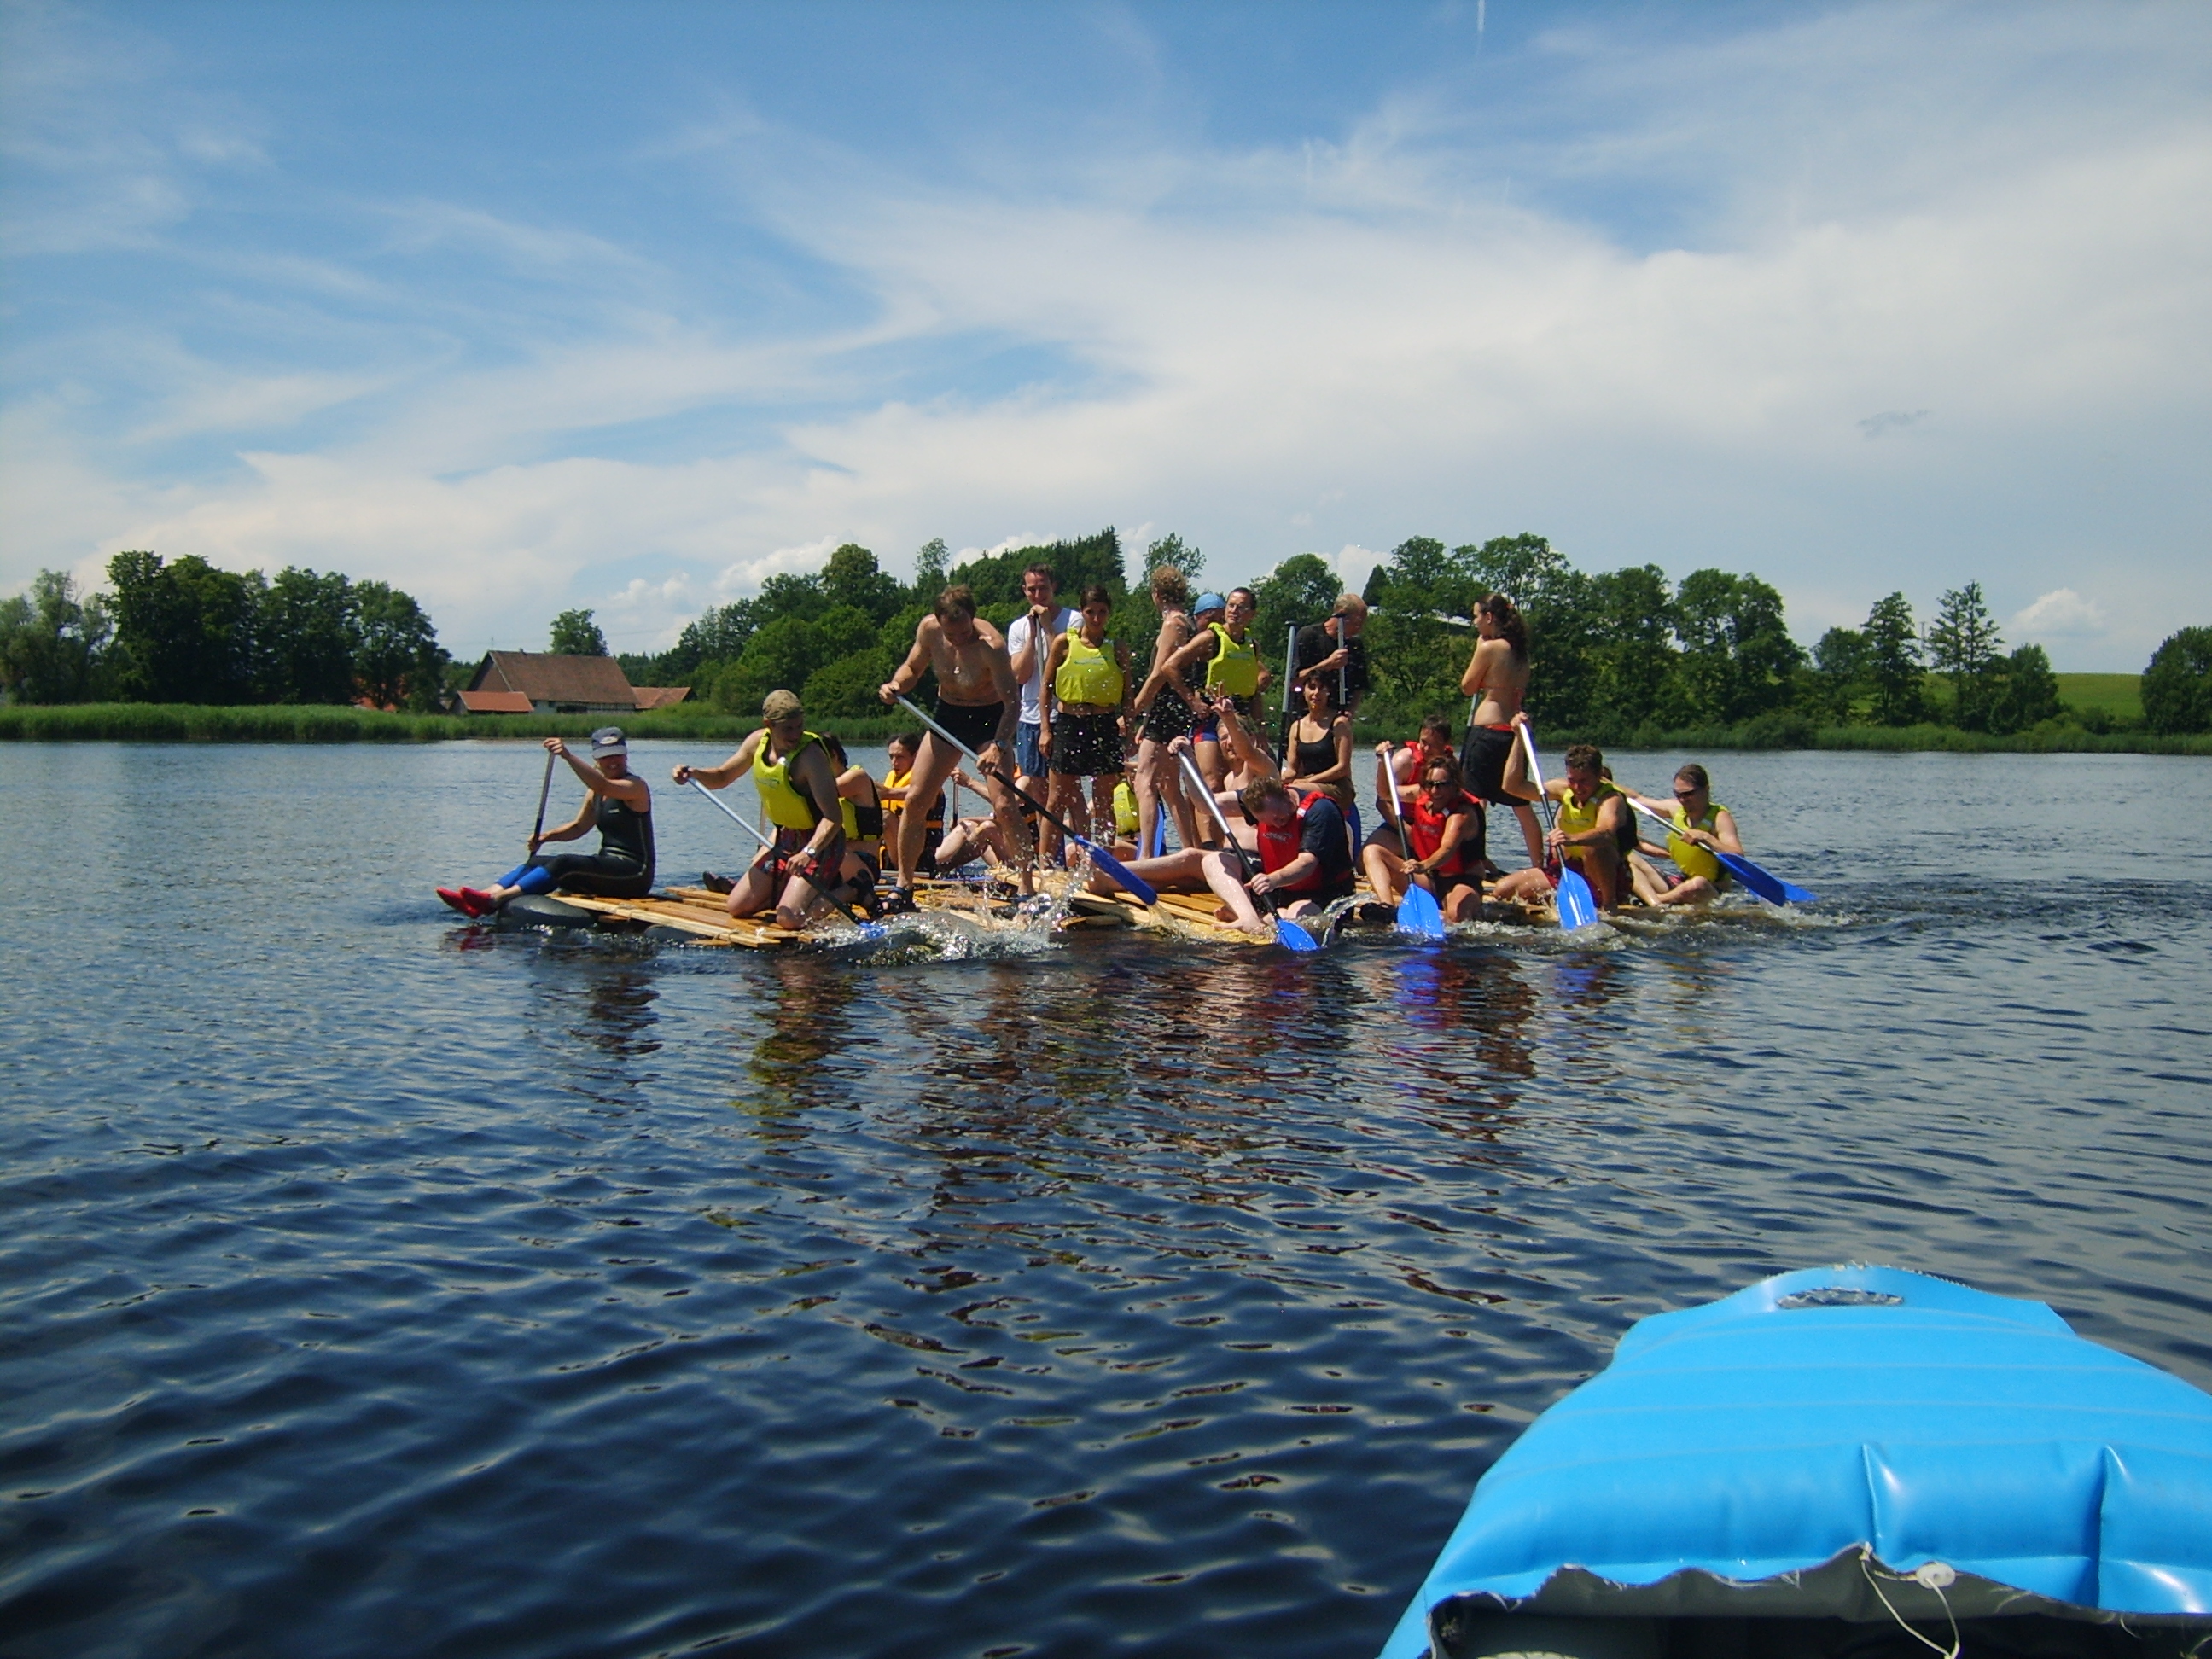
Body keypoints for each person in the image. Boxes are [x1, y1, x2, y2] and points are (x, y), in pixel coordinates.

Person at [878, 585, 1027, 911]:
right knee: (917, 798)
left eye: (963, 632)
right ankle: (904, 885)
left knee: (1003, 804)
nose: (957, 639)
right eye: (951, 633)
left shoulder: (992, 645)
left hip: (990, 720)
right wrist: (895, 685)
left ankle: (1027, 888)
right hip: (949, 716)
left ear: (972, 620)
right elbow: (912, 669)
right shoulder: (929, 630)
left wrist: (998, 746)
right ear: (939, 622)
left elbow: (1013, 703)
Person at [673, 691, 849, 929]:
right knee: (737, 906)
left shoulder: (812, 757)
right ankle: (793, 891)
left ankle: (850, 890)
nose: (795, 735)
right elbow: (722, 777)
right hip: (786, 838)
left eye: (799, 727)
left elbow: (833, 817)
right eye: (787, 729)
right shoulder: (757, 742)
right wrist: (694, 773)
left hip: (820, 844)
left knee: (789, 919)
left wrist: (808, 852)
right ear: (768, 725)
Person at [440, 729, 654, 916]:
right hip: (609, 866)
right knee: (537, 861)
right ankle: (481, 896)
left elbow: (603, 785)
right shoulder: (594, 794)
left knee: (565, 863)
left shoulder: (635, 787)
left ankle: (497, 900)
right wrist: (545, 837)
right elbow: (579, 827)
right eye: (606, 756)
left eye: (617, 754)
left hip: (635, 873)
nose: (613, 761)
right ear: (596, 760)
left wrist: (567, 756)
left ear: (626, 756)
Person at [1141, 586, 1271, 795]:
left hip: (1240, 719)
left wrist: (1261, 730)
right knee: (1210, 784)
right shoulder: (1209, 638)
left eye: (1241, 607)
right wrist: (1192, 701)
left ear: (1252, 614)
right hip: (1209, 719)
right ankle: (1200, 823)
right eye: (1231, 606)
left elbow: (1254, 692)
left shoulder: (1252, 646)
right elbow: (1169, 666)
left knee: (1242, 782)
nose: (1234, 611)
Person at [1039, 584, 1134, 846]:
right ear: (1082, 612)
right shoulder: (1064, 643)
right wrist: (1046, 730)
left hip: (1104, 724)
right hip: (1069, 723)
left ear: (1109, 614)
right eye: (1090, 612)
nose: (1096, 618)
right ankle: (1046, 864)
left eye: (1102, 612)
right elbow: (1046, 690)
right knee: (1057, 799)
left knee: (1104, 801)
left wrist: (1131, 733)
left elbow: (1128, 695)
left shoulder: (1117, 648)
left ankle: (1103, 864)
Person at [1201, 775, 1355, 937]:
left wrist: (1273, 879)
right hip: (1281, 891)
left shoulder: (1321, 811)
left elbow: (1307, 863)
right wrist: (1188, 757)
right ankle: (1249, 918)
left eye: (1278, 816)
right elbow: (1205, 805)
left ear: (1285, 795)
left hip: (1322, 895)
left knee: (1295, 915)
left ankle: (1266, 919)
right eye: (1269, 821)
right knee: (1211, 861)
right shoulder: (1260, 802)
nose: (1278, 824)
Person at [1492, 736, 1629, 912]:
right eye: (1573, 780)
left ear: (1598, 776)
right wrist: (1519, 737)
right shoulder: (1563, 789)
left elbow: (1606, 832)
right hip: (1568, 870)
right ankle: (1559, 897)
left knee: (1593, 848)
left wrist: (1571, 838)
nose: (1577, 787)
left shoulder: (1611, 798)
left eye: (1584, 781)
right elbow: (1513, 786)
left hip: (1603, 873)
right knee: (1502, 890)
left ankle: (1608, 904)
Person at [1460, 592, 1545, 868]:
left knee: (1474, 799)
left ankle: (1475, 861)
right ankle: (1538, 864)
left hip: (1487, 730)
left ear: (1489, 617)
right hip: (1513, 733)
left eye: (1476, 616)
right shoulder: (1521, 653)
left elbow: (1467, 686)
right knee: (1520, 800)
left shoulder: (1490, 648)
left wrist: (1478, 649)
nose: (1474, 622)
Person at [1362, 752, 1487, 924]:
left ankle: (1445, 915)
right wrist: (1383, 763)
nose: (1435, 791)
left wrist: (1422, 865)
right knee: (1373, 851)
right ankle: (1387, 908)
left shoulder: (1462, 814)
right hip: (1430, 878)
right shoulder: (1421, 794)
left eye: (1442, 785)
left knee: (1456, 916)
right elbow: (1385, 793)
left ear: (1455, 785)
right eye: (1430, 784)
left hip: (1461, 881)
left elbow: (1447, 849)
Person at [1130, 565, 1203, 858]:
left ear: (1156, 594)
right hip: (1172, 710)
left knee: (1143, 780)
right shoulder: (1188, 622)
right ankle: (1191, 850)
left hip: (1167, 709)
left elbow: (1158, 674)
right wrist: (1144, 722)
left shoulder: (1172, 624)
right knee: (1169, 785)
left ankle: (1146, 856)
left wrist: (1133, 709)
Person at [1003, 562, 1078, 800]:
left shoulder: (1073, 620)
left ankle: (1076, 835)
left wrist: (1047, 627)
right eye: (1032, 590)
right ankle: (1047, 838)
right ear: (1024, 590)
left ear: (1053, 587)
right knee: (1038, 791)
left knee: (1067, 789)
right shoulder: (1018, 628)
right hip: (1030, 716)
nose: (1038, 595)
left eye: (1043, 589)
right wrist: (1032, 635)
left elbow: (1066, 666)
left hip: (1062, 714)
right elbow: (1020, 676)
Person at [1627, 763, 1743, 907]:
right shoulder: (1676, 808)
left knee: (1697, 883)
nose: (1682, 800)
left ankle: (1655, 900)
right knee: (1629, 858)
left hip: (1710, 890)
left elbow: (1738, 856)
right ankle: (1656, 900)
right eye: (1678, 795)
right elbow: (1636, 799)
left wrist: (1707, 837)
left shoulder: (1720, 818)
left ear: (1706, 790)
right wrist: (1602, 781)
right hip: (1681, 884)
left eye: (1688, 794)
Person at [1280, 672, 1353, 814]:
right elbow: (1292, 769)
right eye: (1312, 687)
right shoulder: (1297, 726)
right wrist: (1278, 778)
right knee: (1274, 792)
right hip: (1305, 783)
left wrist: (1310, 781)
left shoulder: (1339, 724)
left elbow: (1342, 768)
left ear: (1328, 693)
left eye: (1322, 688)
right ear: (1304, 691)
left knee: (1293, 791)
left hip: (1337, 787)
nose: (1316, 693)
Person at [1293, 594, 1371, 718]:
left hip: (1338, 718)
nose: (1359, 629)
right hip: (1305, 716)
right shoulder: (1309, 636)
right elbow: (1294, 681)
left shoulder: (1355, 645)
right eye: (1357, 623)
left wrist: (1350, 712)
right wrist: (1328, 664)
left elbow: (1359, 685)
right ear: (1342, 615)